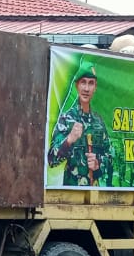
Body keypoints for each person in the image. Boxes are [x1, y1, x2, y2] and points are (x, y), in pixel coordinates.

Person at [47, 57, 113, 187]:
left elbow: (110, 156)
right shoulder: (66, 119)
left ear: (95, 87)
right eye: (83, 82)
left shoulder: (99, 122)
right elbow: (51, 160)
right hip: (71, 193)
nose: (86, 89)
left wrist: (98, 163)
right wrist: (69, 140)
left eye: (91, 83)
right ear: (77, 85)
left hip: (95, 194)